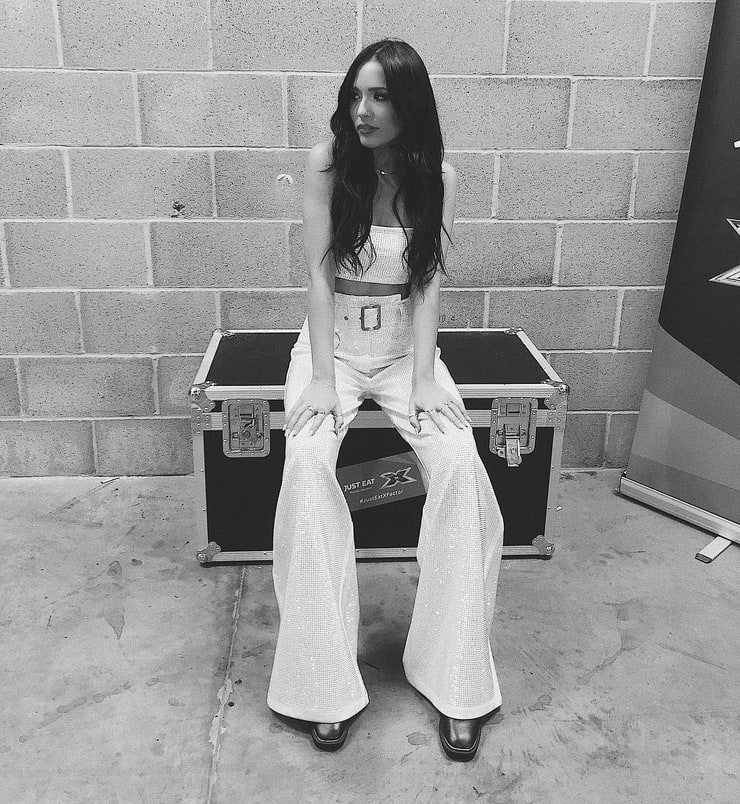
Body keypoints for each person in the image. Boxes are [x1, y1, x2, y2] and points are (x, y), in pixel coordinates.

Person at [266, 39, 505, 762]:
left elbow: (427, 282)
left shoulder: (438, 175)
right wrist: (321, 378)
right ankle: (322, 688)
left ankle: (457, 682)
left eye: (380, 97)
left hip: (406, 351)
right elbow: (317, 275)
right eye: (355, 95)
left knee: (461, 469)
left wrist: (427, 376)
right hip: (331, 347)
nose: (362, 111)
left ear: (409, 104)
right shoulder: (325, 163)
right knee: (308, 468)